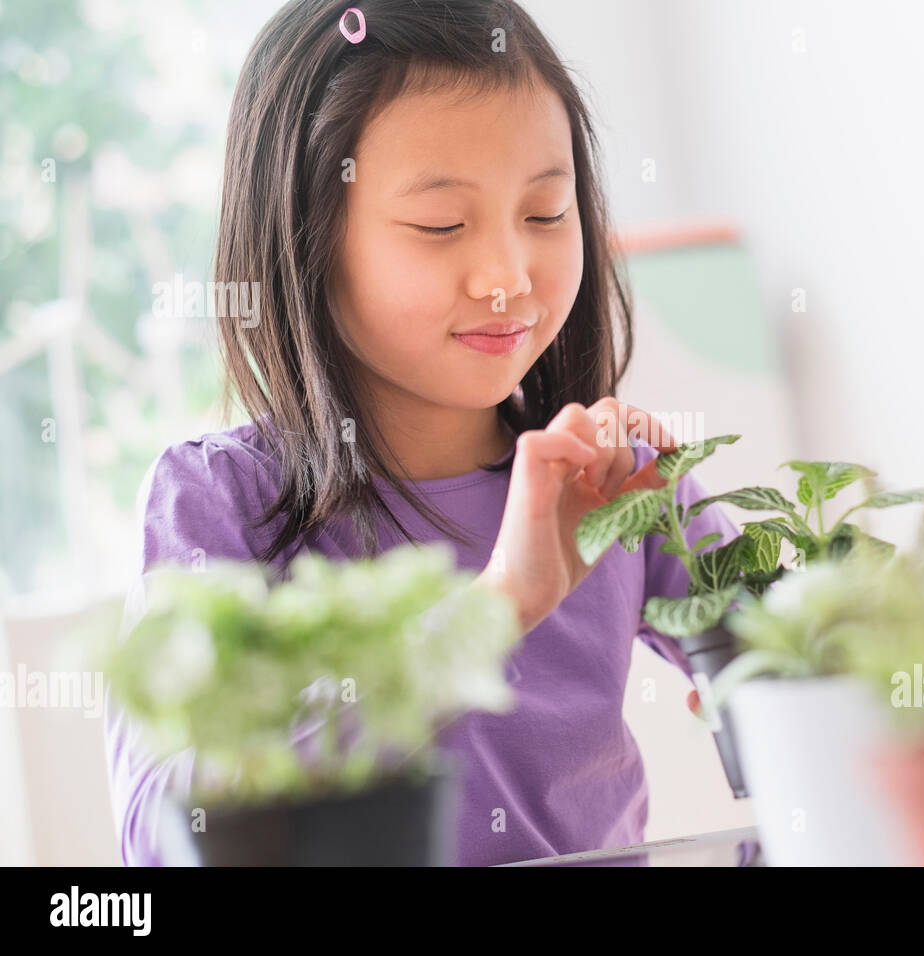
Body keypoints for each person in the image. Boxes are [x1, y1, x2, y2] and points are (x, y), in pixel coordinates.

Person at [104, 0, 741, 867]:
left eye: (547, 214)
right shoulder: (220, 502)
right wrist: (498, 605)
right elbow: (171, 831)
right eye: (441, 226)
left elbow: (815, 669)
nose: (509, 279)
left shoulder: (610, 484)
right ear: (305, 239)